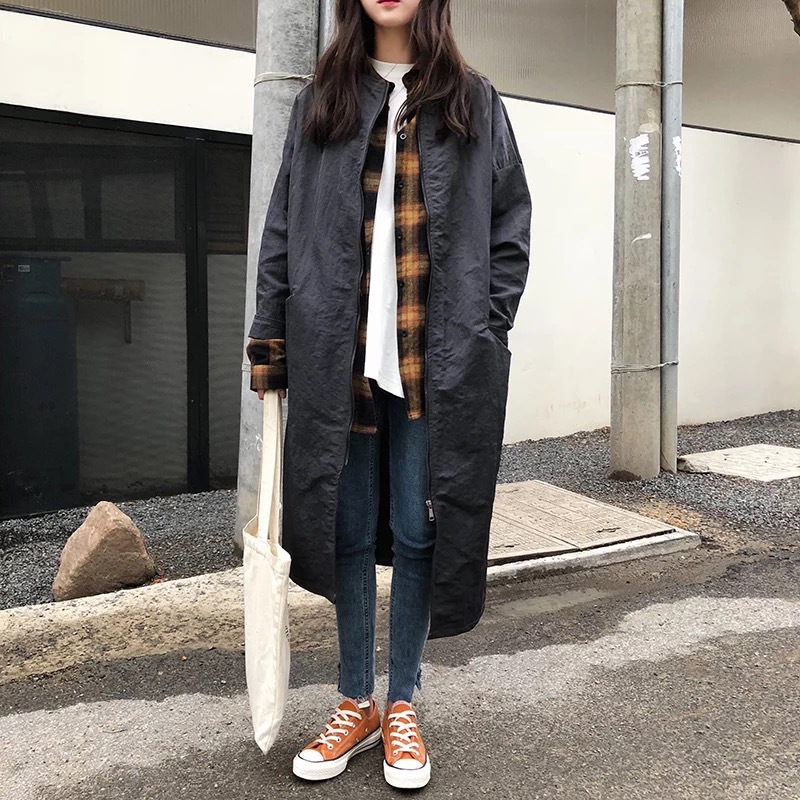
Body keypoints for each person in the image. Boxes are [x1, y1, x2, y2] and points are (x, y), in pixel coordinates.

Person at [246, 0, 531, 789]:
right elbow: (282, 229)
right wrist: (271, 343)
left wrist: (485, 326)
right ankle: (355, 702)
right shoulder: (323, 98)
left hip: (432, 365)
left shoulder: (473, 100)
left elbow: (510, 224)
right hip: (335, 358)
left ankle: (401, 701)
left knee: (416, 530)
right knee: (342, 530)